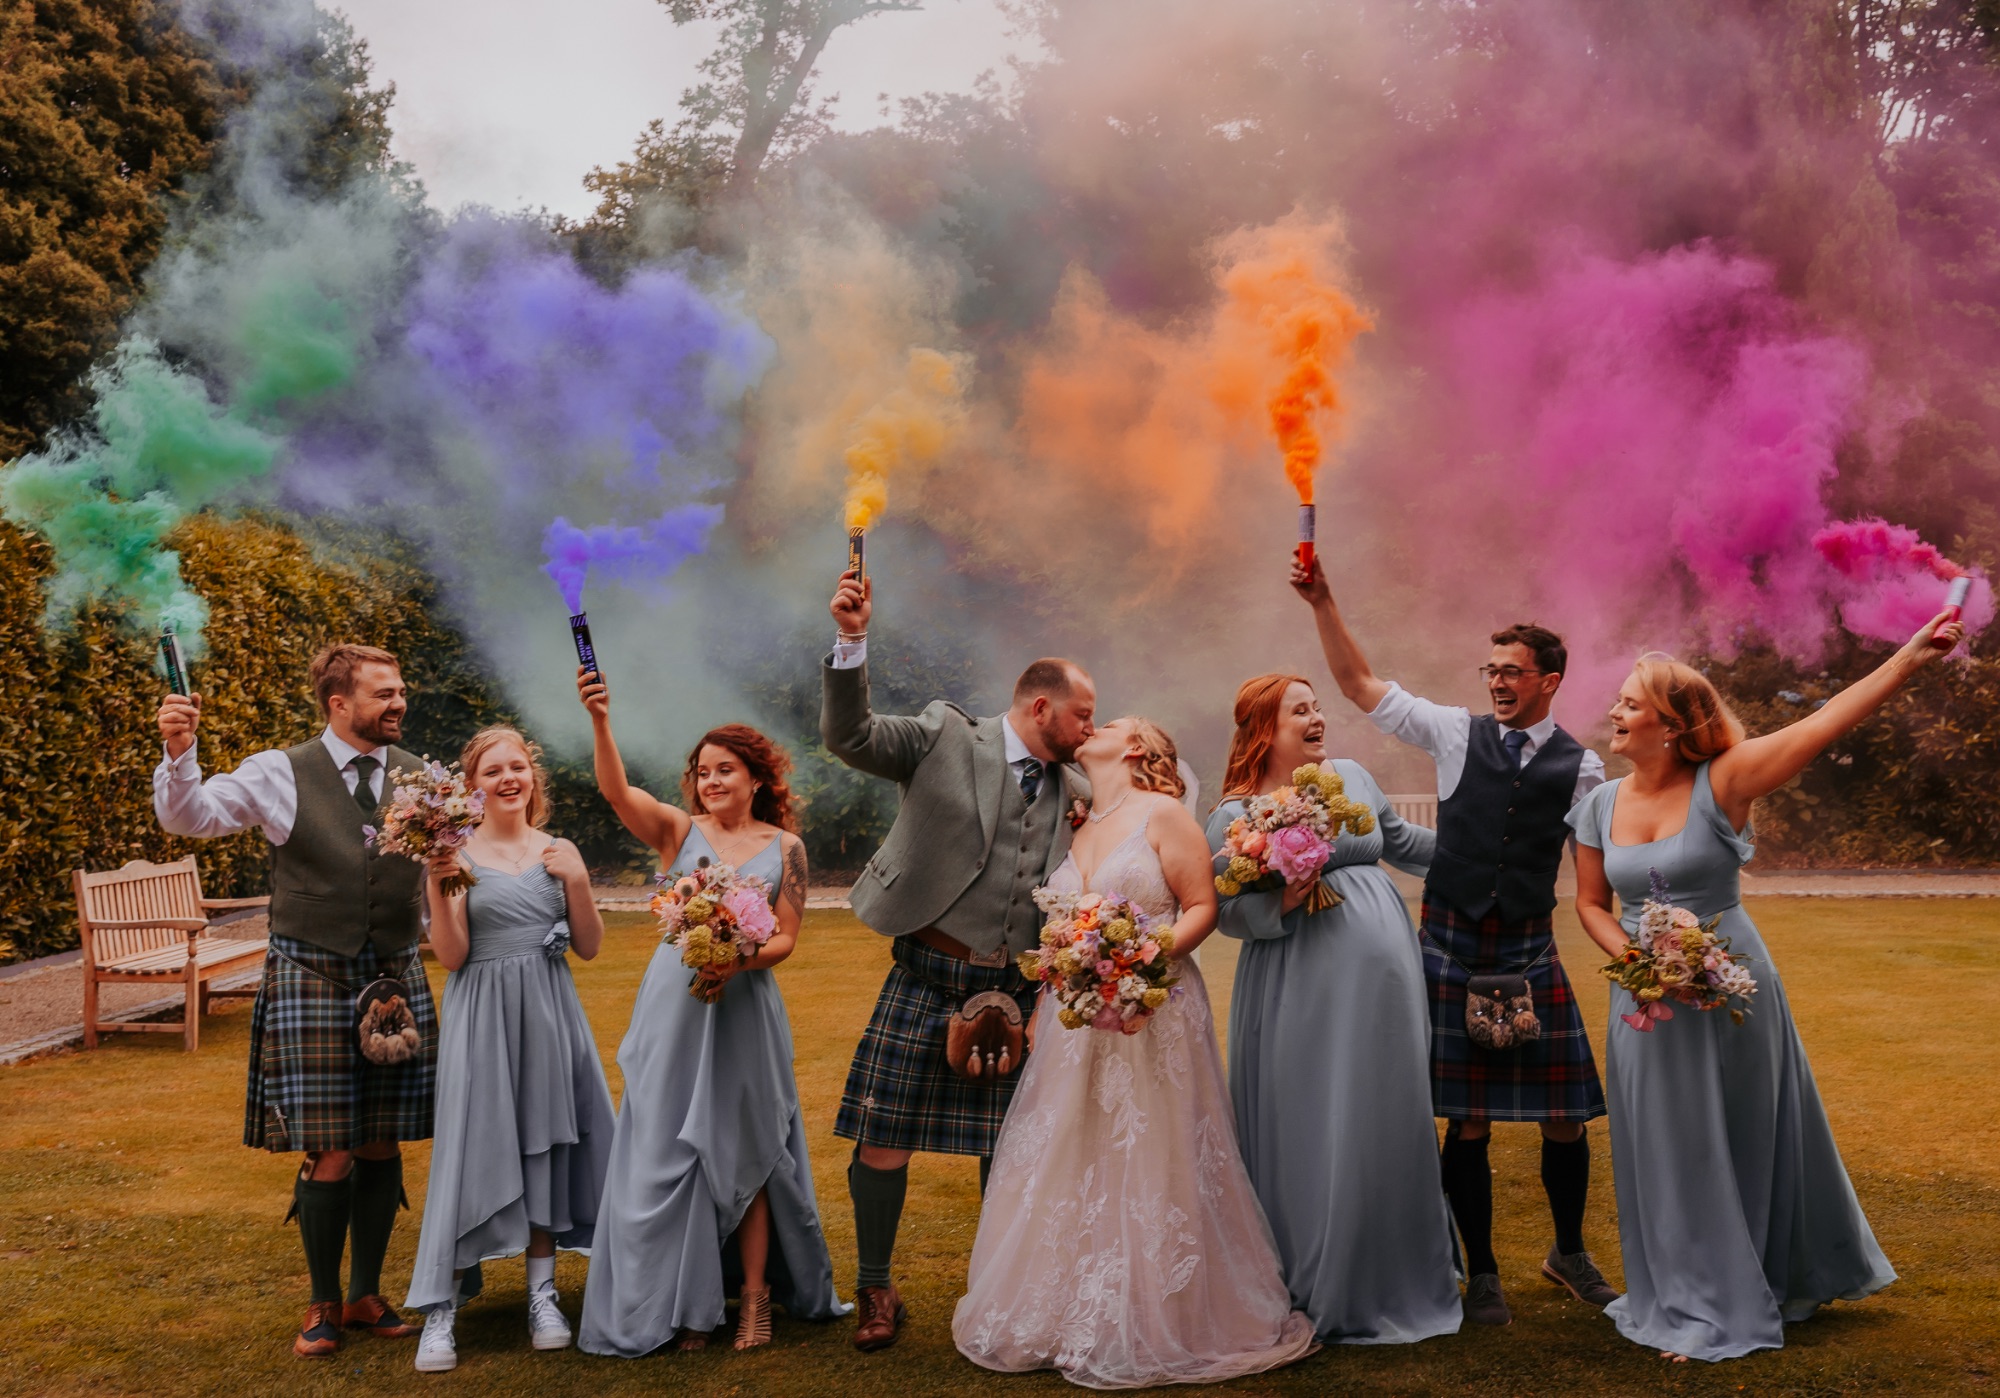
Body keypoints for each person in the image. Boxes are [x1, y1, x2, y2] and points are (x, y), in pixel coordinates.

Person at [1566, 612, 1961, 1363]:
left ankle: (1738, 1291)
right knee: (1664, 1143)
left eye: (1628, 703)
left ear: (1674, 724)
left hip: (1730, 985)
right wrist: (1638, 966)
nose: (1613, 713)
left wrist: (1908, 658)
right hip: (1642, 996)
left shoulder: (1726, 779)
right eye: (1617, 701)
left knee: (1745, 1132)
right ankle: (1683, 1292)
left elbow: (1824, 723)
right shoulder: (1595, 805)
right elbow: (1589, 903)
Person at [1289, 557, 1614, 1326]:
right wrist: (1324, 601)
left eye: (1513, 671)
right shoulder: (1454, 731)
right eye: (1490, 669)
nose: (1497, 682)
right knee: (1467, 1119)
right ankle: (1485, 1272)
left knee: (1563, 1117)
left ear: (1550, 679)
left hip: (1531, 950)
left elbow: (1604, 860)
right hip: (1451, 945)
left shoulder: (1584, 767)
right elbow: (1360, 687)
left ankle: (1568, 1252)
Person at [954, 716, 1318, 1387]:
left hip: (1155, 1009)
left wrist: (1137, 967)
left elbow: (1200, 904)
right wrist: (1053, 994)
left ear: (1136, 748)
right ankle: (1065, 1310)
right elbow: (1063, 926)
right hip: (1078, 1018)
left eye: (1112, 721)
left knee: (1153, 1149)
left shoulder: (1165, 813)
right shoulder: (1080, 821)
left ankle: (1162, 1312)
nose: (1095, 723)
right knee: (1072, 1145)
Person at [821, 567, 1096, 1352]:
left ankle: (1002, 1293)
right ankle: (876, 1288)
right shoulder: (944, 734)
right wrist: (850, 640)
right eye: (1083, 715)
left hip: (1016, 985)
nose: (1088, 728)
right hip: (925, 977)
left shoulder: (1078, 784)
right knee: (883, 1139)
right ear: (1039, 705)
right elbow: (851, 737)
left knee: (1006, 1150)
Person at [153, 643, 431, 1358]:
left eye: (400, 691)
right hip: (313, 973)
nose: (398, 702)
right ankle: (321, 1302)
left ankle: (367, 1294)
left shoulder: (422, 777)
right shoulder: (280, 771)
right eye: (383, 693)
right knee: (330, 1145)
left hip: (394, 975)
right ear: (339, 704)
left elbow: (443, 876)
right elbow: (191, 817)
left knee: (380, 1137)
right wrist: (180, 752)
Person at [575, 673, 843, 1356]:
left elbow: (784, 936)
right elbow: (615, 791)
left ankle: (754, 1299)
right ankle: (686, 1305)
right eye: (701, 771)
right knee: (668, 1149)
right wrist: (601, 719)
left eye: (725, 769)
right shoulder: (676, 829)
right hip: (675, 1006)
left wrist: (737, 961)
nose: (710, 780)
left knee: (743, 1149)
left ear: (756, 777)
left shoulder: (786, 849)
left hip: (744, 1009)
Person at [1205, 675, 1463, 1345]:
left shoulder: (1350, 775)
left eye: (1319, 707)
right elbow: (1226, 913)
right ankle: (1313, 1273)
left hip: (1384, 985)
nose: (1318, 717)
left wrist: (1491, 844)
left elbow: (1407, 844)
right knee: (1313, 1113)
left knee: (1384, 1110)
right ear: (1265, 727)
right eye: (1301, 710)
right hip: (1297, 984)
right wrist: (1286, 898)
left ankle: (1396, 1270)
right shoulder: (1234, 813)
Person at [407, 725, 615, 1373]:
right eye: (493, 770)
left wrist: (577, 879)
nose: (507, 778)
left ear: (532, 777)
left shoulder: (559, 850)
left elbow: (589, 946)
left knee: (545, 1148)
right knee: (471, 1147)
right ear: (472, 786)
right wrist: (442, 885)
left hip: (551, 1016)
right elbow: (451, 955)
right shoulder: (451, 854)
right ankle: (441, 1309)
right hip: (481, 1018)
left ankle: (542, 1295)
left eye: (518, 766)